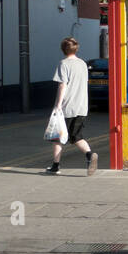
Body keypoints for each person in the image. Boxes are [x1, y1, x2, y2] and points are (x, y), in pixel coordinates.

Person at [46, 37, 97, 175]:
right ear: (76, 48)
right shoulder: (82, 64)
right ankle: (89, 155)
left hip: (67, 107)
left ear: (63, 49)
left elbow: (63, 85)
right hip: (82, 106)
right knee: (76, 136)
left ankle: (55, 166)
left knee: (57, 137)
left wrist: (57, 105)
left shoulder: (64, 64)